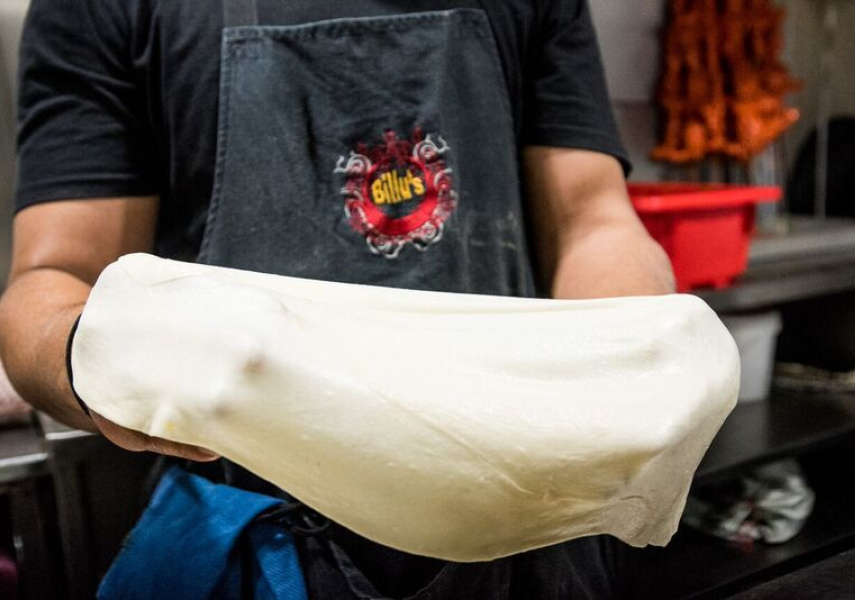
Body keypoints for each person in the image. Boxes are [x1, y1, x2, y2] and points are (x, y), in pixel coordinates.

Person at [0, 0, 675, 597]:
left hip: (532, 520)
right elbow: (55, 276)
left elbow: (593, 220)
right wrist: (91, 357)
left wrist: (643, 350)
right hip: (261, 542)